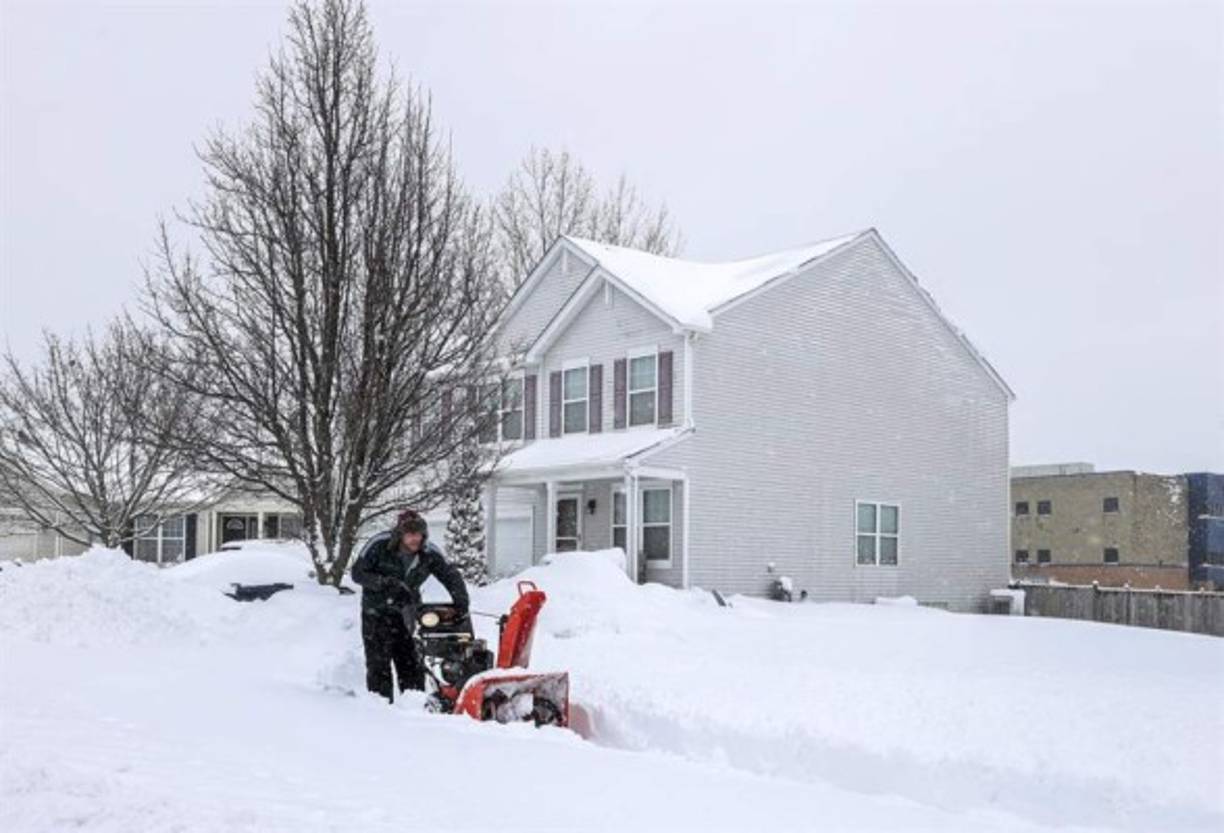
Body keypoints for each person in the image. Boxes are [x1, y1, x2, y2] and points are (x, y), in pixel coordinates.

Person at [351, 509, 470, 701]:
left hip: (407, 614)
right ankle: (380, 708)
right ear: (400, 535)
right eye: (410, 534)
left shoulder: (429, 552)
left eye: (419, 534)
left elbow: (450, 575)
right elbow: (357, 573)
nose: (415, 539)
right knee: (379, 665)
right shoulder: (378, 545)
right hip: (376, 613)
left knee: (411, 663)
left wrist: (461, 602)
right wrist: (384, 583)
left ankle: (413, 706)